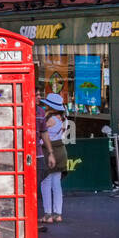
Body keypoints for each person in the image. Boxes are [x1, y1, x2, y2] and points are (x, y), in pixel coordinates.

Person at [39, 94, 67, 224]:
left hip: (49, 151)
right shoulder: (63, 118)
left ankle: (48, 215)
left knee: (46, 183)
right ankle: (58, 214)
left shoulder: (49, 118)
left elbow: (41, 131)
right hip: (61, 150)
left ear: (50, 106)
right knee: (57, 184)